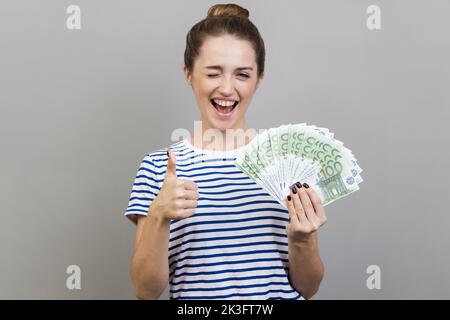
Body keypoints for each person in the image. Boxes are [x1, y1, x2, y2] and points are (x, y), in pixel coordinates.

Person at [124, 3, 327, 300]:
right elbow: (145, 290)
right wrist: (158, 216)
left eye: (242, 75)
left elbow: (309, 288)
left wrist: (301, 239)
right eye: (213, 73)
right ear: (188, 74)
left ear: (259, 80)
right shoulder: (159, 168)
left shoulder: (287, 165)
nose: (227, 89)